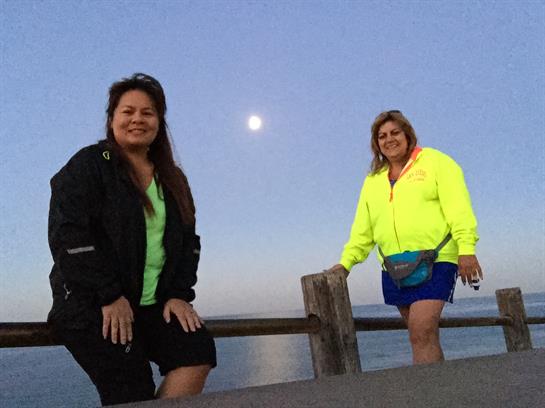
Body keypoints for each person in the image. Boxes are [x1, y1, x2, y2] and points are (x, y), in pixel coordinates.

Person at [47, 73, 216, 405]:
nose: (137, 118)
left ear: (159, 122)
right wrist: (109, 294)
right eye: (128, 111)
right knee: (131, 387)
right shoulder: (90, 166)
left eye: (148, 112)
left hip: (151, 304)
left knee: (196, 350)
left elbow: (189, 243)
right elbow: (68, 235)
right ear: (112, 120)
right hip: (94, 304)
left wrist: (180, 295)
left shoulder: (172, 177)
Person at [328, 110, 483, 364]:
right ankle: (439, 392)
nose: (389, 139)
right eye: (382, 136)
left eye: (394, 132)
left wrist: (466, 248)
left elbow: (459, 208)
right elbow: (363, 229)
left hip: (436, 260)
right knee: (421, 335)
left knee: (421, 332)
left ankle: (427, 396)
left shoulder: (436, 162)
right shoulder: (373, 181)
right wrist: (346, 263)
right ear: (376, 143)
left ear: (407, 134)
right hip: (394, 267)